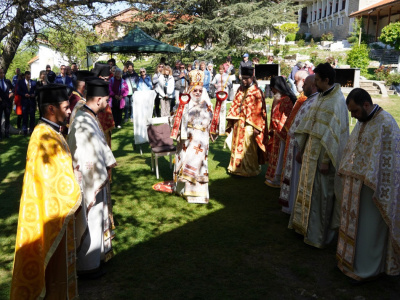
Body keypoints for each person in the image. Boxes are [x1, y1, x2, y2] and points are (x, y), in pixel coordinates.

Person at [10, 84, 81, 300]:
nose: (70, 111)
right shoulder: (43, 138)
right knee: (53, 269)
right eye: (66, 107)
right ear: (51, 109)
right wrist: (75, 192)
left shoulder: (50, 131)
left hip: (56, 214)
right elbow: (51, 180)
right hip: (50, 214)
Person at [336, 88, 400, 282]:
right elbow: (353, 149)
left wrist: (370, 180)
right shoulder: (363, 120)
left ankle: (368, 267)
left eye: (355, 111)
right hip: (355, 186)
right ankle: (348, 261)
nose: (353, 116)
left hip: (374, 190)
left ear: (366, 105)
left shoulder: (386, 124)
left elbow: (390, 164)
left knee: (369, 229)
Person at [290, 63, 349, 248]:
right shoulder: (321, 97)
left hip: (324, 156)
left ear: (326, 80)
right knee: (306, 191)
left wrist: (325, 161)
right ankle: (302, 227)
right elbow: (309, 125)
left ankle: (317, 236)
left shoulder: (337, 101)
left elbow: (334, 136)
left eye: (317, 79)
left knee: (320, 196)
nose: (314, 82)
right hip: (310, 153)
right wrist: (302, 149)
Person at [68, 79, 117, 278]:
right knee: (91, 219)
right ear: (98, 100)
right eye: (106, 99)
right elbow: (85, 152)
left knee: (98, 219)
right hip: (90, 179)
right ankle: (88, 266)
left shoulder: (89, 116)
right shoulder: (83, 121)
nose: (108, 103)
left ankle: (97, 258)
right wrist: (98, 174)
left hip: (96, 176)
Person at [173, 69, 215, 204]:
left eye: (200, 90)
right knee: (186, 162)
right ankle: (184, 191)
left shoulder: (207, 103)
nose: (197, 93)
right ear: (190, 89)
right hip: (188, 139)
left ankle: (200, 194)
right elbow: (175, 118)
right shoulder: (184, 102)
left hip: (202, 139)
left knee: (201, 166)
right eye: (195, 90)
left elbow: (213, 120)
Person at [279, 74, 318, 214]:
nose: (302, 87)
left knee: (297, 179)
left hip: (301, 147)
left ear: (313, 86)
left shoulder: (314, 102)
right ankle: (291, 206)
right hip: (295, 145)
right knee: (293, 178)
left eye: (305, 84)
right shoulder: (308, 100)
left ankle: (295, 209)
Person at [226, 66, 268, 177]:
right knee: (236, 146)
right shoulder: (240, 89)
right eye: (242, 78)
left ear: (252, 77)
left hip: (250, 124)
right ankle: (235, 168)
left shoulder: (257, 92)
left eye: (246, 78)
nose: (244, 81)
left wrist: (257, 128)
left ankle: (249, 170)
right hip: (238, 124)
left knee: (248, 147)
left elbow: (260, 111)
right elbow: (235, 104)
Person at [264, 76, 296, 187]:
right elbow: (273, 115)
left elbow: (287, 117)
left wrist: (279, 130)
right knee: (275, 154)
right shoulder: (277, 98)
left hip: (282, 132)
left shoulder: (287, 100)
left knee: (280, 155)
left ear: (277, 87)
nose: (272, 91)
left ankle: (277, 178)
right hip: (275, 131)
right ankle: (272, 177)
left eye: (273, 88)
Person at [212, 64, 231, 135]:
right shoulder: (217, 76)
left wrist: (227, 85)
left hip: (224, 94)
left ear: (224, 70)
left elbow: (230, 82)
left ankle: (222, 127)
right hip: (218, 93)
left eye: (222, 69)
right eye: (220, 69)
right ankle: (217, 125)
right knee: (217, 109)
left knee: (223, 109)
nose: (221, 71)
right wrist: (215, 85)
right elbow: (213, 82)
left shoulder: (226, 75)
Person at [17, 71, 36, 136]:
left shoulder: (33, 82)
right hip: (25, 102)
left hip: (32, 101)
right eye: (27, 75)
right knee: (25, 116)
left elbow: (36, 91)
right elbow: (18, 91)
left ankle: (31, 130)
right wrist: (24, 94)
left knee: (32, 116)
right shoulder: (21, 82)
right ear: (25, 75)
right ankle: (24, 130)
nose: (29, 76)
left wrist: (34, 94)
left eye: (29, 75)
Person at [0, 68, 13, 139]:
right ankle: (0, 134)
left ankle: (7, 133)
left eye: (3, 73)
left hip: (7, 103)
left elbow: (13, 88)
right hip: (0, 104)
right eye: (1, 73)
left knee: (7, 118)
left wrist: (12, 93)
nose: (2, 74)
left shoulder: (7, 81)